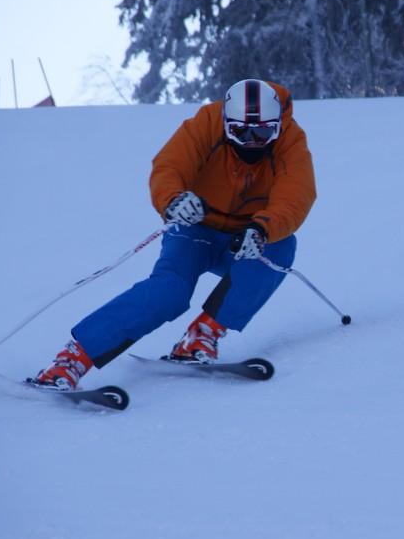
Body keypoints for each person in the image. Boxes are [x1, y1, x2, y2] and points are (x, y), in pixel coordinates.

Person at [30, 79, 316, 390]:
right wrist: (174, 200)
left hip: (244, 237)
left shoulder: (291, 140)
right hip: (195, 227)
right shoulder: (206, 123)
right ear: (226, 123)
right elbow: (170, 166)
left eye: (262, 133)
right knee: (169, 291)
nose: (251, 143)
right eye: (240, 133)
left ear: (277, 126)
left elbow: (295, 195)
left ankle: (201, 336)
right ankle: (72, 360)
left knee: (281, 246)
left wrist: (262, 228)